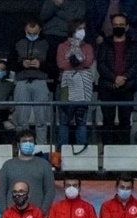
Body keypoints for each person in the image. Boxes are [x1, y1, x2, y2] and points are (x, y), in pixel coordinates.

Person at [96, 13, 137, 146]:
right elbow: (101, 65)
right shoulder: (105, 44)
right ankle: (108, 150)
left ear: (126, 27)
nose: (118, 27)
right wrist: (114, 78)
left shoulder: (133, 44)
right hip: (107, 87)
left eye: (121, 25)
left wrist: (125, 77)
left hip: (127, 87)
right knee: (108, 121)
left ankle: (124, 151)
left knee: (125, 121)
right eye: (115, 25)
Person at [7, 19, 50, 143]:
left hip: (40, 81)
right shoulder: (17, 42)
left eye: (34, 33)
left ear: (40, 30)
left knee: (41, 119)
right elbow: (10, 63)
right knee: (21, 119)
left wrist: (40, 64)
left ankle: (42, 146)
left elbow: (53, 65)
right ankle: (22, 145)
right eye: (29, 33)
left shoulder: (46, 43)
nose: (32, 35)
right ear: (25, 29)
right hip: (21, 81)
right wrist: (22, 64)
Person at [0, 130, 55, 216]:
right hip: (12, 217)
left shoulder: (44, 165)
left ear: (34, 144)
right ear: (18, 144)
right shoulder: (8, 165)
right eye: (24, 141)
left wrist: (42, 212)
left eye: (30, 141)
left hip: (36, 217)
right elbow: (1, 192)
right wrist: (5, 213)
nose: (28, 143)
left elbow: (50, 191)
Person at [56, 19, 95, 147]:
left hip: (83, 87)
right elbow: (61, 63)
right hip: (66, 86)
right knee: (64, 121)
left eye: (84, 29)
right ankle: (63, 150)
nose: (82, 31)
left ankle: (81, 150)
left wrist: (76, 62)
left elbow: (88, 62)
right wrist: (74, 64)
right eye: (79, 28)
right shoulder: (62, 46)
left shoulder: (88, 47)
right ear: (72, 30)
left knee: (81, 122)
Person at [39, 0, 87, 86]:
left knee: (66, 65)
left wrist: (61, 5)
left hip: (69, 36)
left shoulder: (79, 2)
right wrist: (54, 5)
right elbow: (43, 16)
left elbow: (77, 19)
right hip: (50, 34)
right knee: (50, 65)